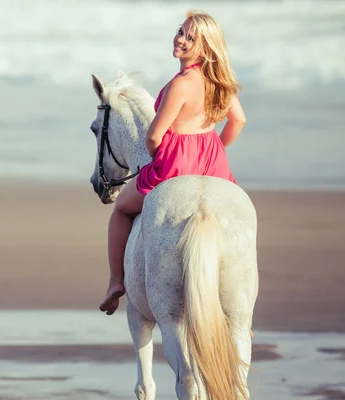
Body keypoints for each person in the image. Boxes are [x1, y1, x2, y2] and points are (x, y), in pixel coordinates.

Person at [99, 10, 246, 315]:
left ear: (204, 47)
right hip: (212, 161)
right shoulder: (220, 80)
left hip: (175, 163)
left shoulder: (182, 83)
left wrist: (159, 156)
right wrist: (216, 146)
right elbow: (239, 121)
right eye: (181, 31)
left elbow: (154, 135)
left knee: (121, 209)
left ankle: (115, 282)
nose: (181, 39)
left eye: (190, 38)